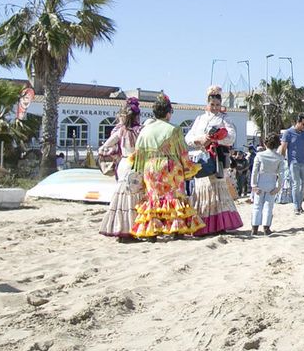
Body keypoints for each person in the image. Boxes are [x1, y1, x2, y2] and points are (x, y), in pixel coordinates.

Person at [129, 93, 203, 239]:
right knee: (174, 196)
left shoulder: (145, 130)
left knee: (153, 197)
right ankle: (175, 229)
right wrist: (188, 167)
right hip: (170, 167)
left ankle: (152, 231)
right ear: (168, 113)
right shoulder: (174, 129)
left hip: (150, 167)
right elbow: (182, 152)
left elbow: (138, 155)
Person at [186, 85, 244, 235]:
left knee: (217, 189)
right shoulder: (200, 119)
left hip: (217, 156)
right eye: (212, 104)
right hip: (201, 156)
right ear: (207, 103)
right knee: (201, 188)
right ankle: (203, 225)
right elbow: (188, 137)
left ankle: (220, 225)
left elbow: (231, 137)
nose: (215, 107)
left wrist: (217, 138)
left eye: (218, 105)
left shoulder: (225, 119)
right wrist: (200, 140)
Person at [96, 97, 144, 241]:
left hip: (123, 163)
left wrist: (113, 155)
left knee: (121, 198)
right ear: (137, 116)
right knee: (135, 198)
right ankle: (133, 229)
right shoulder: (140, 131)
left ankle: (120, 228)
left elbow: (104, 147)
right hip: (136, 164)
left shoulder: (120, 131)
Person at [250, 132, 287, 235]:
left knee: (257, 205)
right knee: (268, 206)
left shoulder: (259, 155)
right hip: (271, 182)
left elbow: (254, 171)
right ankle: (266, 228)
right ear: (278, 144)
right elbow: (281, 174)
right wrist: (278, 187)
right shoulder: (279, 158)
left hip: (260, 181)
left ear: (266, 144)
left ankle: (254, 228)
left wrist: (254, 185)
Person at [279, 114, 304, 214]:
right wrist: (281, 161)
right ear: (297, 122)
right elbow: (283, 148)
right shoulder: (288, 133)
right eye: (303, 124)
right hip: (293, 162)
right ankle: (296, 207)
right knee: (296, 184)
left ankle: (299, 205)